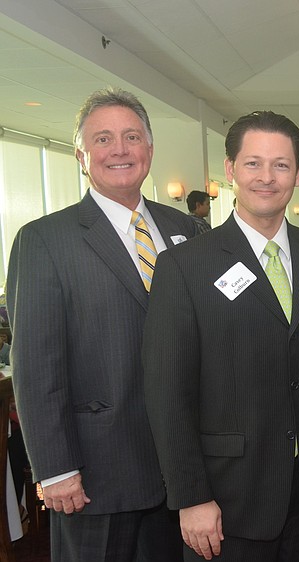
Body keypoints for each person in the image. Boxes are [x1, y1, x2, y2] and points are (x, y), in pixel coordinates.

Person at [144, 111, 299, 562]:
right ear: (230, 170)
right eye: (253, 163)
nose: (266, 177)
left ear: (298, 174)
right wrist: (191, 496)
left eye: (281, 165)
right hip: (226, 498)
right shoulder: (185, 265)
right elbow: (167, 391)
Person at [5, 87, 195, 562]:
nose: (120, 149)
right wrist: (55, 468)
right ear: (81, 155)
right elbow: (34, 365)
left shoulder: (188, 232)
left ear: (150, 149)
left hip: (181, 468)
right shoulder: (45, 240)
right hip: (94, 473)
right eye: (104, 139)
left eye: (132, 136)